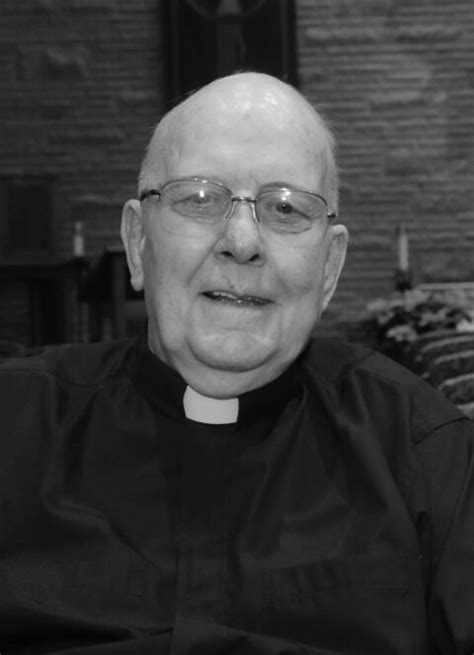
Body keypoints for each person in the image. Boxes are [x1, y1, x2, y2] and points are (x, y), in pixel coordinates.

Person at [0, 72, 473, 655]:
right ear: (137, 243)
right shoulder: (14, 425)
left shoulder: (423, 452)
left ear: (329, 268)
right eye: (199, 199)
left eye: (286, 208)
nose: (242, 240)